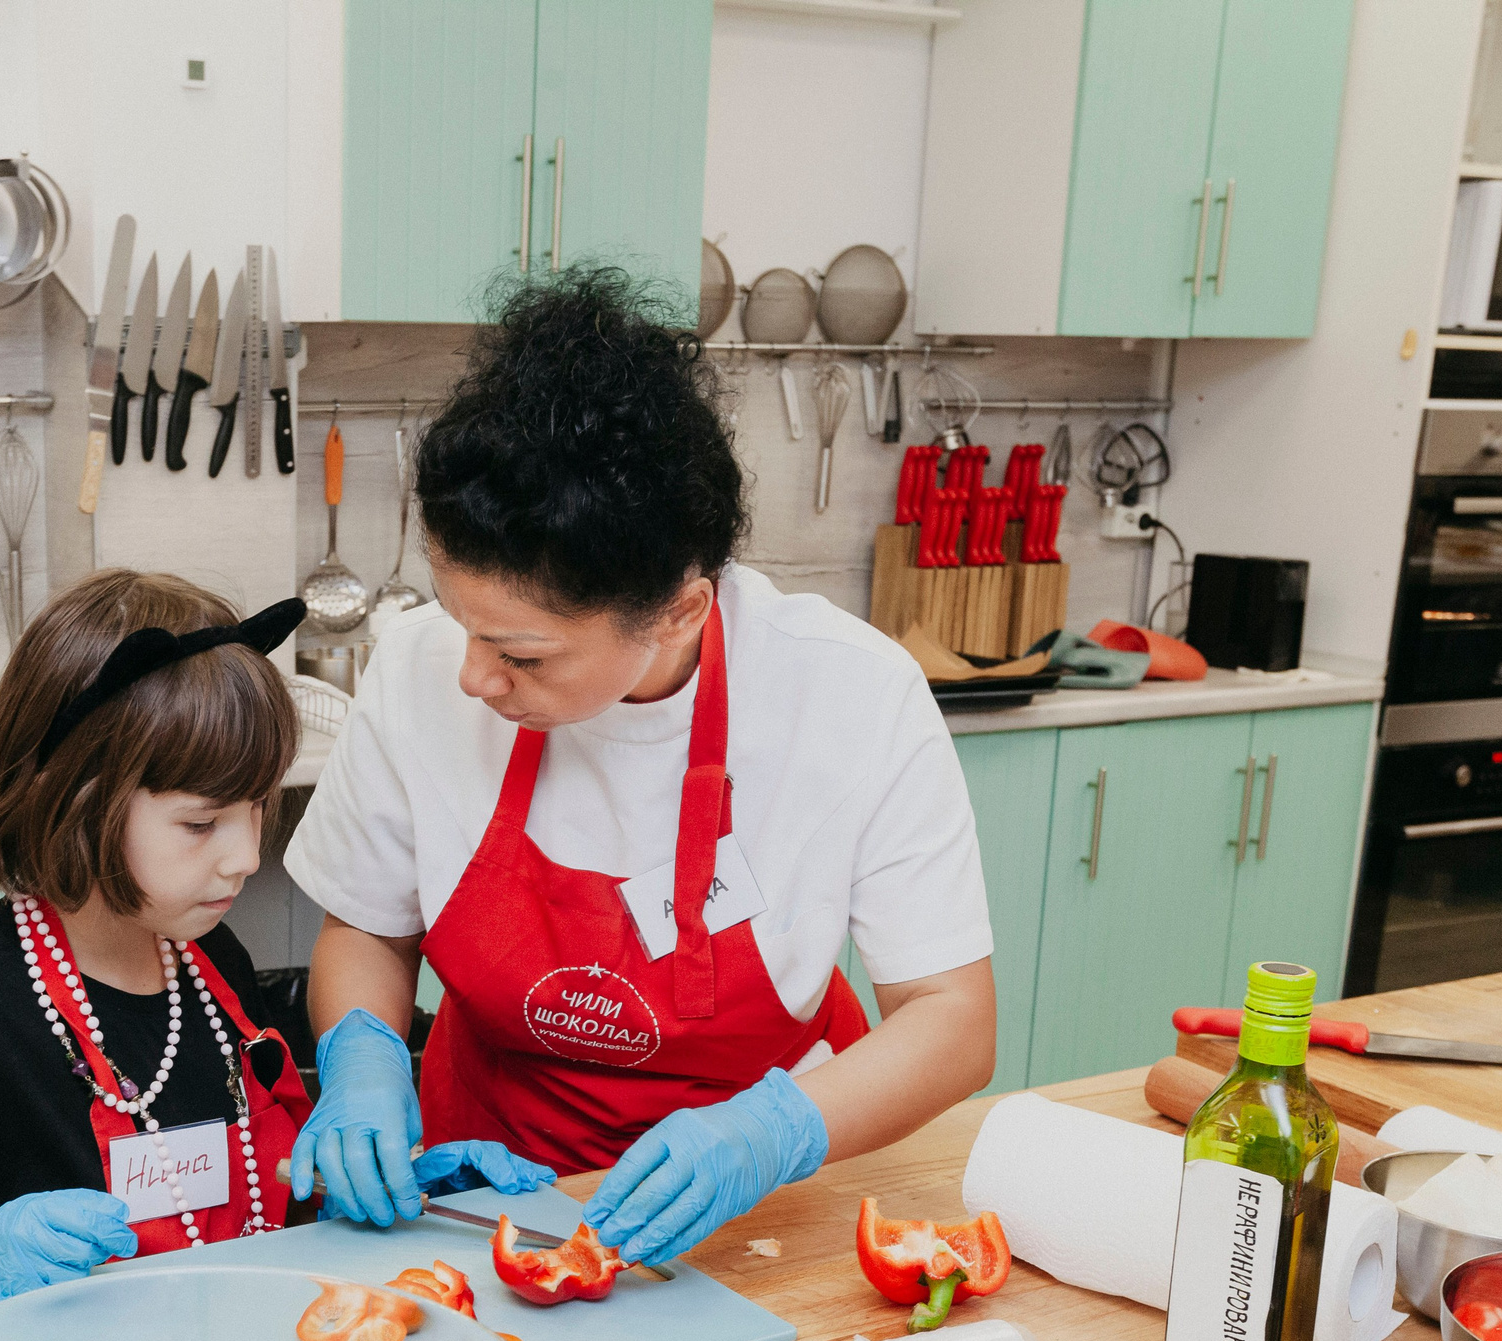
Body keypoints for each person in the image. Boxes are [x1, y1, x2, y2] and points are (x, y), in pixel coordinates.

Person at [284, 267, 999, 1269]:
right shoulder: (415, 670)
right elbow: (370, 923)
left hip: (760, 1214)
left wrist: (770, 1134)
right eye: (459, 623)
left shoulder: (849, 697)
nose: (472, 676)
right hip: (478, 1191)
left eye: (523, 655)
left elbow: (952, 1019)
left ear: (678, 611)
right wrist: (361, 1055)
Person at [0, 572, 320, 1313]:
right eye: (202, 823)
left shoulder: (213, 964)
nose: (245, 856)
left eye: (261, 804)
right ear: (78, 802)